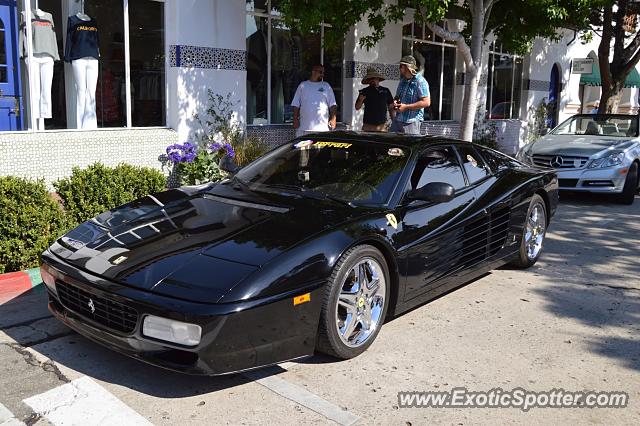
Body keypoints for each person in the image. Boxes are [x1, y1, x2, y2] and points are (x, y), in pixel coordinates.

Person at [292, 64, 337, 137]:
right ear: (313, 72)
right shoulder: (303, 85)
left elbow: (333, 105)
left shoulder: (326, 86)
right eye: (320, 72)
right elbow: (296, 104)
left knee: (320, 148)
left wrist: (333, 119)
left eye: (323, 73)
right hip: (304, 128)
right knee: (302, 148)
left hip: (322, 128)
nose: (322, 74)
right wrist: (295, 119)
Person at [390, 55, 431, 135]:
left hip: (411, 122)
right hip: (398, 120)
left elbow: (426, 102)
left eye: (401, 66)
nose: (399, 68)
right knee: (393, 145)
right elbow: (397, 96)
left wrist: (406, 107)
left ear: (407, 67)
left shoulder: (420, 81)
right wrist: (395, 102)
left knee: (409, 146)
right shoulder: (402, 81)